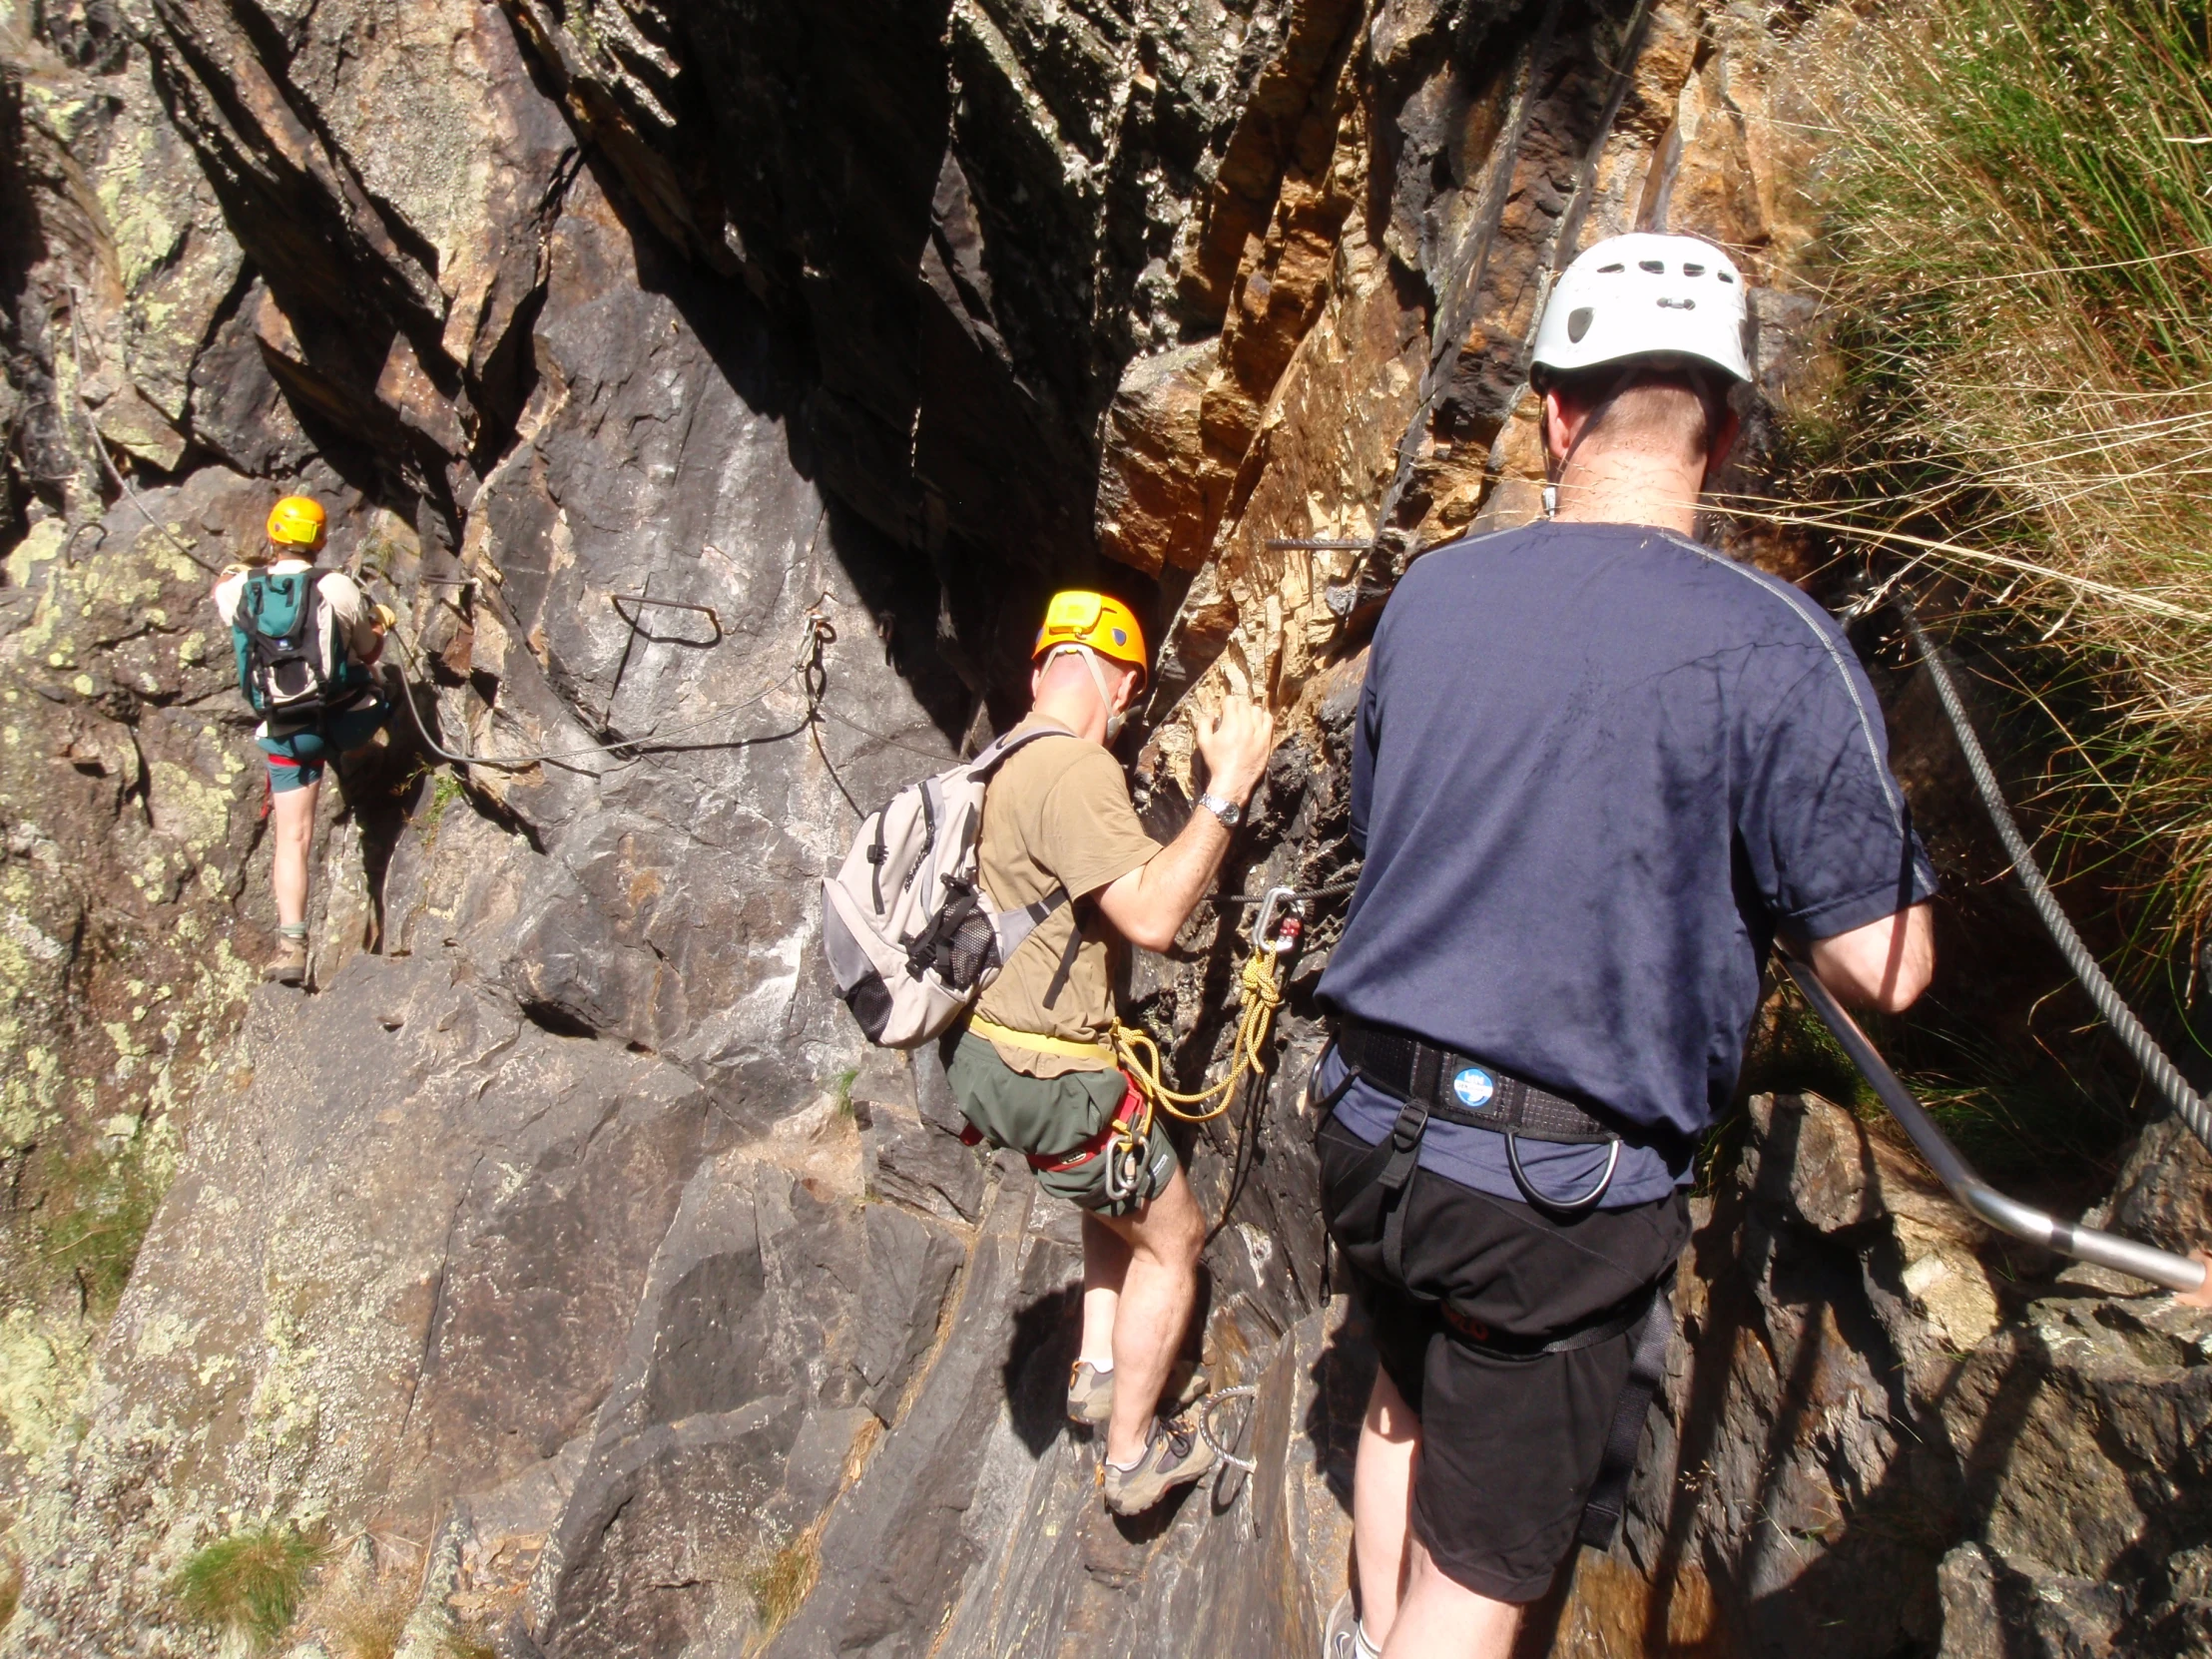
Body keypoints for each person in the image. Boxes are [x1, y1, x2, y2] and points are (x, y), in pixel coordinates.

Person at [1311, 233, 1937, 1659]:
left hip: (1366, 1121)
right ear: (1717, 432)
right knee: (1485, 1569)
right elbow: (1886, 968)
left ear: (1556, 414)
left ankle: (1361, 1631)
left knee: (1401, 1394)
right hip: (1551, 1198)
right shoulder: (1779, 644)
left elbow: (1391, 814)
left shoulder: (1432, 599)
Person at [945, 589, 1275, 1514]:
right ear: (1122, 679)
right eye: (1132, 698)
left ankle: (1096, 1365)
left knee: (1111, 1190)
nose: (1130, 717)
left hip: (992, 1064)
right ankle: (1130, 1458)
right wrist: (1228, 786)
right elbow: (1156, 917)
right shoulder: (1075, 772)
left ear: (1043, 664)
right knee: (1175, 1242)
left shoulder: (997, 759)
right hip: (1055, 1080)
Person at [213, 495, 394, 986]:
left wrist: (244, 571)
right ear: (320, 539)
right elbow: (369, 647)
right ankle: (372, 770)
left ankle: (291, 946)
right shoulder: (335, 586)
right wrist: (379, 623)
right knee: (387, 689)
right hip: (346, 720)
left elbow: (224, 590)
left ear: (272, 535)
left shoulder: (235, 590)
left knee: (293, 838)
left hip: (287, 732)